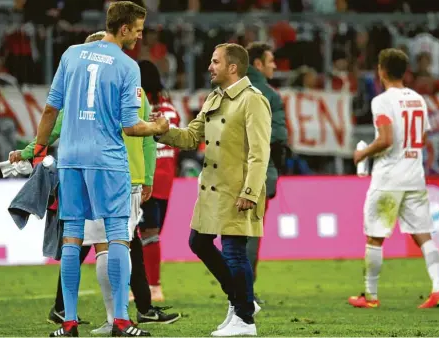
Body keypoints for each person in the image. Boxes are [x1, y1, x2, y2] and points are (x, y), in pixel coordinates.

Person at [33, 2, 169, 336]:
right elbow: (130, 126)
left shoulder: (71, 54)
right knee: (119, 239)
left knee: (72, 239)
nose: (139, 36)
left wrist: (38, 148)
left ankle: (68, 323)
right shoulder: (127, 66)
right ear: (123, 28)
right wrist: (159, 127)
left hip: (71, 159)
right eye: (137, 30)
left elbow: (51, 109)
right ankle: (121, 320)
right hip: (108, 162)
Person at [152, 43, 271, 336]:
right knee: (198, 243)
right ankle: (240, 300)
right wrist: (163, 130)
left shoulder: (252, 100)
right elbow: (193, 137)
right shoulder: (214, 98)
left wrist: (250, 192)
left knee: (234, 252)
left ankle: (245, 319)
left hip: (237, 189)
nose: (210, 66)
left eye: (215, 61)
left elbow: (260, 153)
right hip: (211, 189)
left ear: (233, 67)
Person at [350, 48, 439, 309]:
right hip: (415, 176)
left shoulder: (382, 101)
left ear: (381, 71)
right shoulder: (418, 99)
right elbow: (423, 139)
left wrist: (362, 153)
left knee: (375, 238)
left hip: (389, 180)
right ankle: (438, 288)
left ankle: (370, 296)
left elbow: (385, 139)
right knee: (424, 235)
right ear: (405, 71)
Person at [245, 42, 288, 304]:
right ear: (258, 64)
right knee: (250, 232)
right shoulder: (270, 95)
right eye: (271, 61)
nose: (275, 66)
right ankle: (245, 291)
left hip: (227, 171)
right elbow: (279, 137)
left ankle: (236, 286)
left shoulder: (228, 90)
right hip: (259, 173)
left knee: (230, 234)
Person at [137, 60, 181, 303]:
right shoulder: (171, 109)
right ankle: (150, 285)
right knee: (152, 233)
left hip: (145, 177)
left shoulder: (137, 108)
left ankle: (151, 287)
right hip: (167, 179)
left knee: (144, 233)